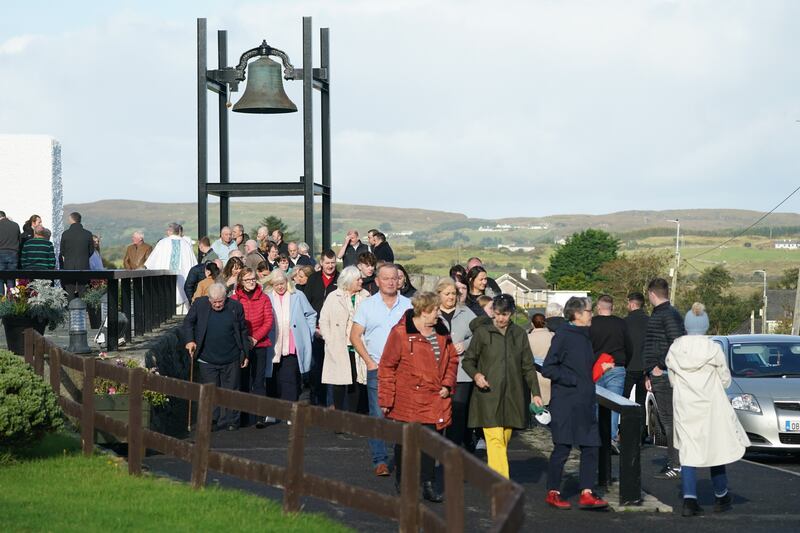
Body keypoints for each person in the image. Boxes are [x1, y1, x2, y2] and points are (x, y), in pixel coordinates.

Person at [666, 313, 750, 517]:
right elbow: (725, 380)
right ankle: (721, 495)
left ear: (686, 326)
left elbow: (672, 380)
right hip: (711, 405)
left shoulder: (675, 349)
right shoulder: (713, 348)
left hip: (686, 405)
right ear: (705, 326)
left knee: (688, 450)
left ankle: (689, 500)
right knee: (716, 448)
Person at [379, 292, 458, 502]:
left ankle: (428, 483)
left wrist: (447, 384)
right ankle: (403, 481)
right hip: (407, 398)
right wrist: (386, 399)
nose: (439, 314)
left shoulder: (441, 330)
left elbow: (452, 360)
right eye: (436, 310)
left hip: (434, 398)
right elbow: (387, 366)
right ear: (424, 311)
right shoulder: (400, 333)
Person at [462, 294, 543, 479]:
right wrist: (477, 375)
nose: (500, 318)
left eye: (504, 314)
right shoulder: (482, 333)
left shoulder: (520, 334)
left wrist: (536, 393)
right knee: (495, 440)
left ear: (511, 313)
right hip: (487, 396)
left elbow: (528, 366)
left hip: (513, 396)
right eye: (497, 314)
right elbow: (468, 361)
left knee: (503, 440)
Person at [542, 296, 609, 510]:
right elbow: (548, 367)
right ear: (577, 314)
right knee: (562, 447)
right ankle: (553, 492)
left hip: (585, 400)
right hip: (565, 401)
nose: (592, 315)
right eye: (589, 311)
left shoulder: (586, 336)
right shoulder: (563, 335)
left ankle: (586, 493)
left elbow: (582, 367)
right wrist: (573, 380)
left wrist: (597, 370)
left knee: (591, 446)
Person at [350, 263, 413, 476]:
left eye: (394, 278)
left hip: (404, 370)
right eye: (385, 278)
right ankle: (380, 459)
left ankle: (402, 457)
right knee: (378, 415)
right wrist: (369, 362)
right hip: (377, 368)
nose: (390, 282)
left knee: (403, 415)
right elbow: (354, 336)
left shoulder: (409, 306)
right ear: (377, 281)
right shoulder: (367, 306)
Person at [182, 283, 250, 431]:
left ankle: (232, 421)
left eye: (220, 301)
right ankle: (212, 421)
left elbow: (243, 331)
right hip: (207, 358)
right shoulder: (200, 304)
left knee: (232, 390)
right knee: (210, 390)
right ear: (209, 299)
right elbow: (188, 322)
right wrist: (190, 340)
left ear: (226, 297)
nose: (218, 304)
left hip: (231, 356)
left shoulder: (236, 307)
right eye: (214, 302)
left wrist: (245, 353)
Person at [642, 278, 686, 479]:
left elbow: (676, 343)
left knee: (669, 421)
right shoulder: (665, 313)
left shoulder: (667, 314)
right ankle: (674, 462)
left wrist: (659, 366)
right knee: (667, 420)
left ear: (652, 293)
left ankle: (676, 465)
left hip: (666, 374)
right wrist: (648, 372)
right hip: (658, 373)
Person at [319, 266, 370, 413]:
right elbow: (324, 320)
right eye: (358, 279)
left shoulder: (366, 296)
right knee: (339, 383)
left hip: (359, 346)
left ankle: (354, 416)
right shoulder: (333, 297)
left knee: (357, 382)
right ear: (348, 281)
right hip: (339, 345)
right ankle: (339, 416)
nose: (361, 281)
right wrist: (329, 339)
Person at [436, 277, 477, 451]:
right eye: (447, 294)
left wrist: (466, 344)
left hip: (461, 372)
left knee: (459, 412)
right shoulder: (432, 312)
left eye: (453, 293)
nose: (451, 297)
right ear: (438, 294)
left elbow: (479, 334)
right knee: (438, 411)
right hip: (438, 372)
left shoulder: (466, 312)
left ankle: (453, 450)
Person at [231, 267, 274, 427]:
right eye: (247, 280)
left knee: (258, 380)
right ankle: (242, 416)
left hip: (259, 343)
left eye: (253, 279)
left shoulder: (264, 298)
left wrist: (255, 338)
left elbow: (268, 321)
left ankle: (259, 416)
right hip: (241, 346)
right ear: (241, 282)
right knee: (243, 380)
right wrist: (244, 340)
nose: (251, 282)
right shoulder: (234, 299)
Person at [266, 269, 317, 406]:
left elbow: (311, 314)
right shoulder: (268, 297)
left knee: (290, 379)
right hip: (274, 344)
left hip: (292, 344)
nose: (280, 287)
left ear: (287, 282)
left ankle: (290, 409)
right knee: (274, 379)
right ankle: (275, 409)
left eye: (282, 283)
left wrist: (309, 333)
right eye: (276, 284)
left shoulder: (297, 295)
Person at [589, 294, 629, 449]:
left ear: (598, 307)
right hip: (616, 366)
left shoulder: (591, 323)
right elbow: (629, 346)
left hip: (596, 367)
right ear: (612, 307)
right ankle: (611, 438)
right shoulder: (621, 323)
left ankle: (598, 438)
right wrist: (624, 363)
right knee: (614, 405)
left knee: (597, 404)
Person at [305, 250, 340, 406]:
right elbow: (307, 305)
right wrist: (314, 328)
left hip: (334, 332)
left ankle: (332, 404)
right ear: (321, 263)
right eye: (327, 263)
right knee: (316, 368)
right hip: (316, 331)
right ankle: (317, 402)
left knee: (333, 369)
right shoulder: (313, 279)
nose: (330, 266)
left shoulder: (340, 279)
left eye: (333, 263)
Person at [144, 222, 198, 312]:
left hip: (164, 289)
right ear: (178, 231)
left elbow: (150, 264)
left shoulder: (162, 243)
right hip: (183, 288)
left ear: (169, 231)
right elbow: (194, 266)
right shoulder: (186, 244)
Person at [623, 292, 649, 443]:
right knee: (641, 402)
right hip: (644, 368)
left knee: (623, 401)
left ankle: (625, 433)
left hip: (628, 366)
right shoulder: (649, 322)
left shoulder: (625, 322)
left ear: (632, 304)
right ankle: (640, 435)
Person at [59, 211, 93, 296]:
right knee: (83, 293)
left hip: (69, 267)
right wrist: (84, 257)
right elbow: (91, 251)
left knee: (69, 292)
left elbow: (62, 251)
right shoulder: (88, 234)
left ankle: (70, 304)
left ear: (71, 220)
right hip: (84, 266)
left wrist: (68, 257)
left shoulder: (65, 234)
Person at [528, 313, 554, 405]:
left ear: (532, 324)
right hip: (551, 374)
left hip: (535, 376)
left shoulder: (528, 338)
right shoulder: (553, 336)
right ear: (545, 323)